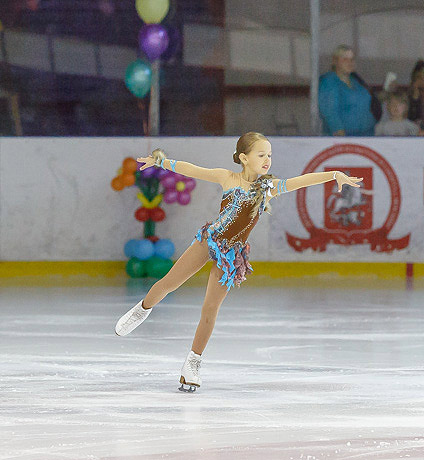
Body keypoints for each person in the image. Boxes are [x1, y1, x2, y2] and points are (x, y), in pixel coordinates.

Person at [114, 132, 362, 392]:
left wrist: (333, 174)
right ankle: (142, 309)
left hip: (232, 255)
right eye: (261, 154)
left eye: (269, 155)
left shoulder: (267, 188)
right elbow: (193, 170)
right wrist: (160, 161)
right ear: (244, 158)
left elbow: (300, 181)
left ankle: (192, 363)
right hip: (209, 240)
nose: (267, 160)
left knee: (210, 309)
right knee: (169, 283)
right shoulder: (228, 178)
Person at [318, 45, 377, 136]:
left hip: (367, 135)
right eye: (345, 59)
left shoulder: (356, 81)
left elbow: (369, 101)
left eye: (352, 59)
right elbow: (329, 112)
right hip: (345, 138)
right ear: (335, 61)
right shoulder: (329, 82)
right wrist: (340, 134)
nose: (350, 63)